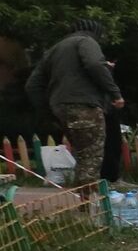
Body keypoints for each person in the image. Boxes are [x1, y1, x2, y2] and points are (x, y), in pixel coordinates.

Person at [24, 18, 124, 194]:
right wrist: (114, 93)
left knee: (83, 154)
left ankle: (82, 204)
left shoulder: (54, 49)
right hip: (84, 104)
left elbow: (32, 85)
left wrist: (48, 112)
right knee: (91, 156)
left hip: (60, 107)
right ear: (96, 32)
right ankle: (88, 209)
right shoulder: (86, 41)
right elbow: (94, 64)